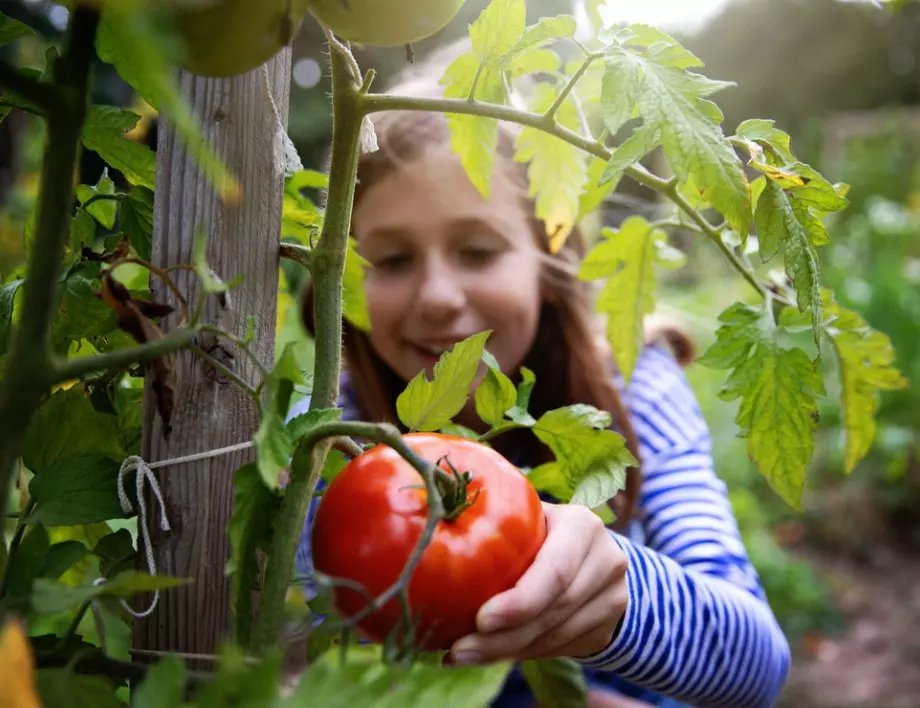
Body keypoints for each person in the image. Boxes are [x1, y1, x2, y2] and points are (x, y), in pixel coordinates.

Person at [286, 46, 791, 708]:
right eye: (392, 258)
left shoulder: (634, 387)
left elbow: (758, 667)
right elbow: (303, 648)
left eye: (478, 250)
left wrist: (621, 602)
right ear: (338, 278)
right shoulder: (321, 435)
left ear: (551, 266)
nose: (438, 296)